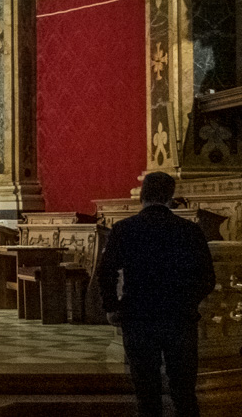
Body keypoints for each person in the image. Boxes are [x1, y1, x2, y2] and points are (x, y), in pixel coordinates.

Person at [96, 172, 216, 417]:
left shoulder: (124, 229)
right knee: (184, 392)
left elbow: (106, 272)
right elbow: (207, 279)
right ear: (171, 197)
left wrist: (112, 307)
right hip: (179, 318)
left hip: (138, 317)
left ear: (142, 195)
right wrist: (187, 302)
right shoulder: (189, 230)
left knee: (147, 394)